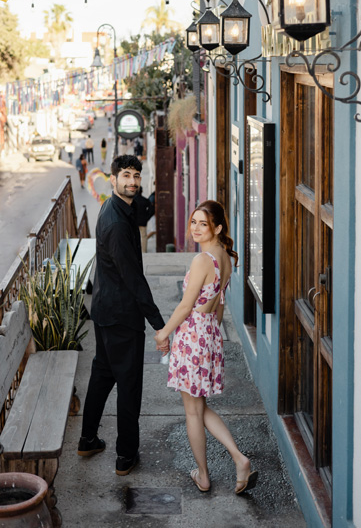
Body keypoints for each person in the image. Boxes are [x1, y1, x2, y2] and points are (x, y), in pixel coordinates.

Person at [155, 200, 258, 494]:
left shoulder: (203, 260)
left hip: (193, 335)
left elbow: (186, 306)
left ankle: (203, 475)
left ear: (218, 228)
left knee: (192, 412)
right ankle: (239, 459)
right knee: (200, 406)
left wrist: (164, 334)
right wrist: (210, 338)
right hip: (209, 332)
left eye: (204, 224)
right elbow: (219, 306)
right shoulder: (224, 257)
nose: (196, 229)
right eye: (194, 222)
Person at [77, 155, 167, 476]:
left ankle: (87, 439)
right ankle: (125, 456)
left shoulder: (115, 207)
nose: (132, 181)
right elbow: (133, 279)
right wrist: (159, 323)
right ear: (113, 179)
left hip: (105, 310)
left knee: (102, 375)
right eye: (126, 175)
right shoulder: (116, 222)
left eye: (136, 175)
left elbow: (141, 209)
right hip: (121, 317)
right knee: (129, 386)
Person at [134, 187, 155, 253]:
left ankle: (135, 251)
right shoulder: (145, 200)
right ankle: (144, 251)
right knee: (143, 236)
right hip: (143, 221)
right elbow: (152, 209)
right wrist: (147, 217)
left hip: (134, 221)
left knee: (134, 236)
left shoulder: (132, 201)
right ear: (142, 191)